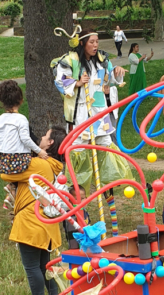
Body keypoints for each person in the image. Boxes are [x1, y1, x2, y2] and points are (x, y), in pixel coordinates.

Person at [52, 28, 133, 192]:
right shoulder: (70, 60)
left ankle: (110, 185)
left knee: (105, 144)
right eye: (92, 42)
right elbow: (59, 81)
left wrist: (116, 72)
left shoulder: (102, 59)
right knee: (78, 149)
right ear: (82, 43)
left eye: (97, 41)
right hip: (80, 113)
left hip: (99, 111)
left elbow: (110, 77)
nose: (95, 45)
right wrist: (77, 83)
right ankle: (76, 191)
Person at [0, 126, 67, 295]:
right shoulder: (56, 167)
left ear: (50, 143)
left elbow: (5, 174)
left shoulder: (37, 164)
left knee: (31, 266)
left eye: (45, 136)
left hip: (31, 221)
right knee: (45, 265)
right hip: (47, 222)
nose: (42, 138)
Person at [0, 80, 47, 209]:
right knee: (40, 168)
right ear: (21, 100)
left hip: (4, 161)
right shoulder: (21, 119)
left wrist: (3, 151)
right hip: (20, 161)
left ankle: (12, 189)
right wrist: (39, 151)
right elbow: (26, 139)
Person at [64, 185, 90, 249]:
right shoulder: (69, 215)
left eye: (82, 198)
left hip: (87, 244)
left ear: (86, 199)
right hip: (75, 246)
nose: (80, 202)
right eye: (76, 199)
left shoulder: (85, 212)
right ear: (69, 200)